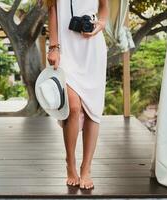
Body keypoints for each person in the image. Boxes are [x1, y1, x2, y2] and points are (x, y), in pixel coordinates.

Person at [45, 0, 108, 189]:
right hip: (66, 49)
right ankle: (70, 162)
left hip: (92, 50)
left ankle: (86, 168)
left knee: (92, 110)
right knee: (73, 106)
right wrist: (53, 47)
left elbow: (104, 7)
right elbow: (53, 10)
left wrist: (100, 25)